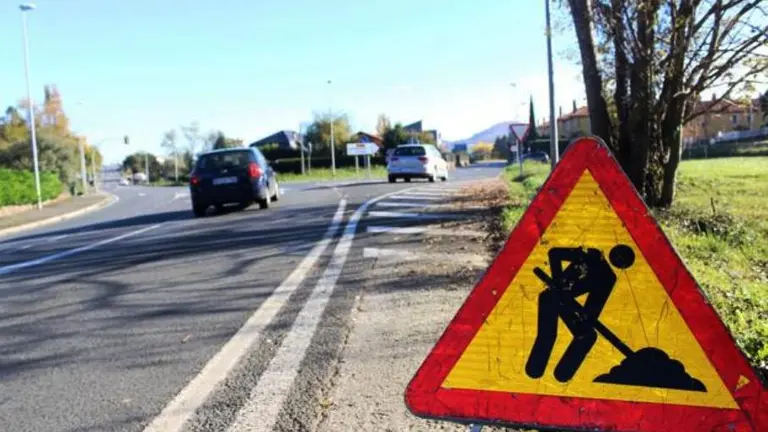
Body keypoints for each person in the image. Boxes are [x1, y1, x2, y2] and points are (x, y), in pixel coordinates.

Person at [525, 244, 635, 383]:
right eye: (619, 256)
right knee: (548, 333)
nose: (619, 259)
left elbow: (594, 307)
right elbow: (554, 252)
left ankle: (562, 375)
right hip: (552, 296)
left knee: (587, 335)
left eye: (622, 259)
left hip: (568, 304)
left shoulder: (608, 278)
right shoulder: (591, 255)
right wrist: (558, 280)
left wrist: (585, 317)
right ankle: (534, 370)